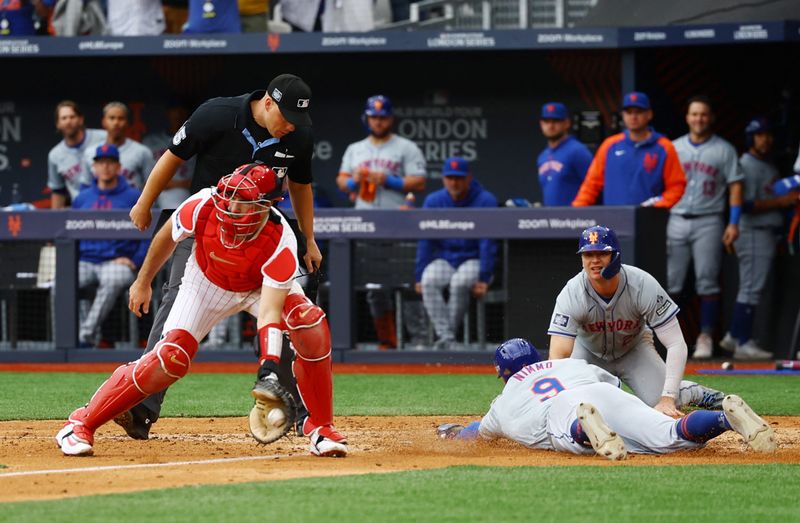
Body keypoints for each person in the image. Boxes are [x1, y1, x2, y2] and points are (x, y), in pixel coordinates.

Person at [56, 163, 346, 457]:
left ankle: (321, 428)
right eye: (230, 197)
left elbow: (270, 312)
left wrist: (268, 366)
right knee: (170, 359)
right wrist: (143, 281)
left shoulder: (280, 238)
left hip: (258, 287)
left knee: (309, 322)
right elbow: (167, 238)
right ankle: (81, 423)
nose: (232, 206)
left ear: (269, 205)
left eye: (244, 201)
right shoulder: (202, 203)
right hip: (206, 282)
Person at [124, 73, 321, 441]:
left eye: (298, 119)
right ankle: (140, 406)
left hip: (262, 235)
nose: (292, 125)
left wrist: (309, 238)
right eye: (287, 116)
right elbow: (172, 157)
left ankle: (297, 411)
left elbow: (300, 186)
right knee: (173, 307)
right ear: (267, 103)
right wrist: (144, 203)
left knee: (293, 314)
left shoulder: (298, 135)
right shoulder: (217, 114)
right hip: (205, 229)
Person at [438, 338, 776, 460]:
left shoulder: (505, 398)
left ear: (505, 373)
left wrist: (453, 432)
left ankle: (586, 430)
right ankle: (725, 418)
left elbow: (475, 431)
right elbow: (612, 386)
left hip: (563, 410)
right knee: (672, 437)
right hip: (602, 392)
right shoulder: (568, 363)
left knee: (568, 435)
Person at [547, 225, 725, 417]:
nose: (595, 261)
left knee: (663, 403)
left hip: (634, 350)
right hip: (588, 353)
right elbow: (558, 356)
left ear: (615, 256)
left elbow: (676, 343)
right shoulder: (572, 293)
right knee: (585, 408)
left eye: (602, 253)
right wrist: (558, 398)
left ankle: (696, 394)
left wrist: (668, 397)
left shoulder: (641, 284)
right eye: (588, 255)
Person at [336, 94, 427, 349]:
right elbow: (342, 182)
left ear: (390, 119)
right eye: (374, 117)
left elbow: (419, 181)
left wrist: (387, 179)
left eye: (382, 117)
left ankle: (419, 338)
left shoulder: (405, 147)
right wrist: (356, 180)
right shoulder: (356, 149)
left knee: (407, 283)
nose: (378, 121)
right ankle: (388, 339)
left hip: (399, 223)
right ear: (367, 118)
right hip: (365, 224)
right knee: (374, 287)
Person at [667, 96, 744, 359]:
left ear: (710, 118)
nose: (698, 119)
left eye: (703, 114)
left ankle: (705, 337)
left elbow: (736, 186)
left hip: (709, 219)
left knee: (708, 282)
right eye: (694, 114)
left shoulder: (724, 149)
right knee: (671, 282)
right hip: (676, 217)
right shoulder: (673, 147)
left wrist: (733, 221)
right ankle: (671, 339)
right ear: (687, 117)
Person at [719, 118, 800, 360]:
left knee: (752, 287)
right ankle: (743, 341)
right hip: (752, 231)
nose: (765, 139)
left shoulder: (768, 165)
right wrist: (781, 202)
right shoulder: (746, 164)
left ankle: (735, 335)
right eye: (759, 135)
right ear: (751, 138)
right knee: (751, 289)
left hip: (765, 232)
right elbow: (744, 204)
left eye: (768, 135)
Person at [415, 157, 497, 349]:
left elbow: (488, 242)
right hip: (446, 258)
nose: (454, 182)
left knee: (459, 282)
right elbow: (425, 241)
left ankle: (446, 337)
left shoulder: (485, 200)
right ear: (443, 179)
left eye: (459, 178)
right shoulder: (434, 201)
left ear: (469, 178)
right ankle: (448, 338)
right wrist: (418, 275)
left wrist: (484, 277)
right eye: (450, 177)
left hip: (473, 258)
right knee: (428, 280)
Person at [72, 144, 149, 347]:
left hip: (117, 262)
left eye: (110, 163)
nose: (105, 167)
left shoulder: (134, 196)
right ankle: (69, 338)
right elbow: (70, 233)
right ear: (94, 167)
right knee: (60, 283)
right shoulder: (82, 198)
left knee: (114, 278)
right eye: (101, 163)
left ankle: (85, 337)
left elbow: (149, 234)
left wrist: (134, 261)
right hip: (86, 261)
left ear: (118, 167)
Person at [572, 91, 686, 208]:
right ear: (623, 115)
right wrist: (576, 211)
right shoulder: (610, 145)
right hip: (613, 218)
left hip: (649, 219)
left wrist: (658, 205)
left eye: (638, 112)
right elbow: (591, 184)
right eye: (629, 112)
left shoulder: (664, 147)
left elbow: (676, 186)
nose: (633, 117)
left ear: (649, 114)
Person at [82, 102, 155, 191]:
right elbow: (85, 185)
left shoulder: (142, 152)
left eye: (121, 118)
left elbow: (152, 185)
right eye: (112, 118)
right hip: (98, 204)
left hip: (131, 203)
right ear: (104, 122)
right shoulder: (90, 152)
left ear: (127, 123)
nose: (116, 122)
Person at [47, 100, 106, 209]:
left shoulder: (103, 138)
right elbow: (58, 191)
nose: (68, 121)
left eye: (72, 117)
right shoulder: (55, 155)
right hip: (81, 209)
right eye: (64, 118)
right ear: (58, 124)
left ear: (81, 119)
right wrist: (53, 220)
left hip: (111, 204)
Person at [141, 101, 195, 209]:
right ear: (168, 113)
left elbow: (195, 181)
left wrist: (171, 184)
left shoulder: (195, 141)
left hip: (178, 192)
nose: (178, 114)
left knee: (176, 195)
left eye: (181, 111)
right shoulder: (150, 142)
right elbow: (141, 179)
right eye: (174, 110)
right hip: (148, 190)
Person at [536, 102, 593, 206]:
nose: (550, 126)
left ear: (567, 123)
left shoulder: (578, 151)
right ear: (541, 124)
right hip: (551, 219)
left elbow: (594, 188)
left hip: (576, 218)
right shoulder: (542, 156)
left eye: (555, 121)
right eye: (546, 121)